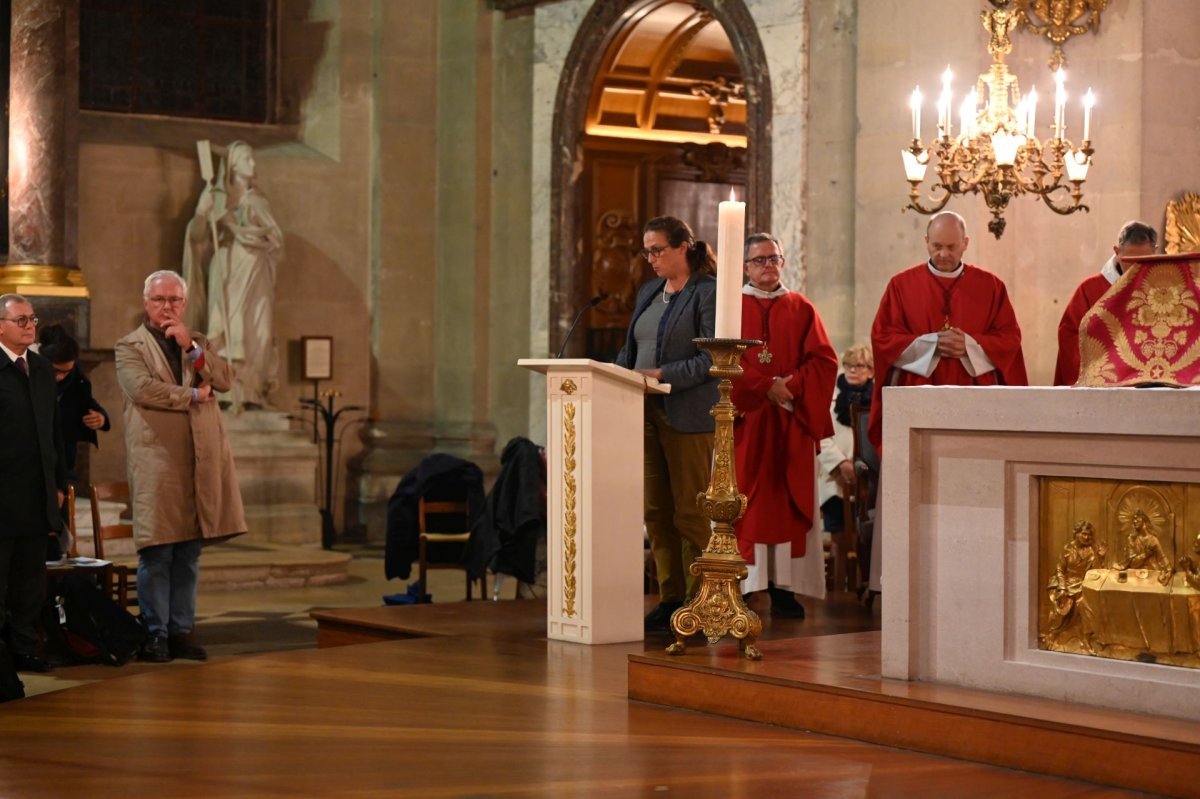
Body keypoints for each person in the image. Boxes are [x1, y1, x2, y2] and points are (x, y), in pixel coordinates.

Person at [116, 270, 247, 662]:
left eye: (174, 300)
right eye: (159, 300)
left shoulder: (198, 344)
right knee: (157, 551)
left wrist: (192, 347)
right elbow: (142, 389)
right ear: (146, 303)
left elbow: (225, 380)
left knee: (188, 552)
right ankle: (155, 632)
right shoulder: (130, 346)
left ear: (184, 304)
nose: (167, 307)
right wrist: (191, 394)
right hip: (158, 461)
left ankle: (182, 630)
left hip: (199, 460)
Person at [615, 216, 718, 631]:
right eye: (647, 251)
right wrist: (615, 374)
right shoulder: (649, 291)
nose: (651, 259)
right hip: (643, 411)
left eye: (658, 250)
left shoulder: (706, 293)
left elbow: (713, 360)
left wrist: (664, 373)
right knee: (656, 510)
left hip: (687, 414)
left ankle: (702, 599)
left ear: (682, 247)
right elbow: (632, 350)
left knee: (690, 511)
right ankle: (671, 595)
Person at [730, 233, 838, 618]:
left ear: (783, 262)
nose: (768, 266)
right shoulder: (728, 306)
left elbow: (824, 361)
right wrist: (763, 388)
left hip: (790, 419)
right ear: (744, 267)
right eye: (759, 260)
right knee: (748, 502)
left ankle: (783, 587)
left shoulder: (801, 307)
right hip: (749, 422)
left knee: (788, 500)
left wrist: (787, 388)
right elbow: (720, 358)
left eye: (774, 259)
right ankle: (743, 586)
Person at [869, 211, 1028, 453]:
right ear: (926, 241)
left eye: (952, 246)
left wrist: (969, 345)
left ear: (965, 243)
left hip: (976, 395)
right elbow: (883, 338)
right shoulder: (901, 285)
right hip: (917, 393)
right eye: (936, 246)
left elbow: (1010, 339)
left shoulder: (991, 285)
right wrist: (932, 344)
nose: (943, 254)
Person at [182, 140, 283, 410]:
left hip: (257, 271)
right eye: (247, 159)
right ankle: (227, 391)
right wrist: (202, 213)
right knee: (225, 327)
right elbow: (197, 237)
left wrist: (258, 239)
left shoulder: (259, 200)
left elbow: (276, 239)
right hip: (229, 268)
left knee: (258, 331)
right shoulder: (218, 198)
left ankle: (252, 392)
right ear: (234, 164)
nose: (253, 164)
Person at [0, 294, 66, 674]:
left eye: (32, 319)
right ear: (1, 326)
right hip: (2, 495)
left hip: (36, 495)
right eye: (21, 320)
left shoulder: (41, 369)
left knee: (29, 584)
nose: (29, 326)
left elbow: (54, 432)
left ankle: (24, 648)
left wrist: (60, 482)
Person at [1053, 221, 1158, 386]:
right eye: (1129, 260)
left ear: (1155, 252)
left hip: (1151, 382)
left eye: (1144, 260)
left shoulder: (1167, 290)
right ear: (1116, 251)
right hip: (1103, 383)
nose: (1135, 268)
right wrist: (1106, 367)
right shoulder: (1090, 289)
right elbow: (1070, 336)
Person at [36, 325, 110, 484]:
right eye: (56, 371)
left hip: (64, 460)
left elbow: (88, 403)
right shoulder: (30, 376)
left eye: (66, 372)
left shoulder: (77, 380)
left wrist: (101, 417)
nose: (60, 377)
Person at [1042, 519, 1106, 651]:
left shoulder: (1091, 551)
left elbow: (1095, 572)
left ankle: (1086, 638)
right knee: (1062, 605)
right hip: (1065, 582)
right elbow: (1060, 569)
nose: (1086, 537)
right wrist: (1062, 587)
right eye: (1083, 534)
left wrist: (1101, 557)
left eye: (1088, 535)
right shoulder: (1068, 549)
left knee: (1085, 604)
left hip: (1082, 584)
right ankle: (1053, 633)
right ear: (1076, 533)